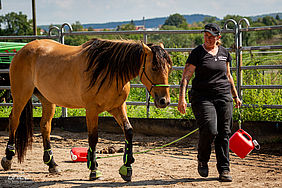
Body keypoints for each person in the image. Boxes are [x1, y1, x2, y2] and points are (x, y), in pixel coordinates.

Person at [177, 23, 242, 182]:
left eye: (212, 36)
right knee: (210, 130)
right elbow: (186, 76)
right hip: (202, 97)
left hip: (224, 97)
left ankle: (224, 169)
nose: (208, 38)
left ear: (218, 37)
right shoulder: (197, 53)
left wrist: (235, 95)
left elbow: (228, 76)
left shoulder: (225, 53)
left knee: (224, 133)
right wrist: (182, 98)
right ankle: (203, 159)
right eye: (206, 35)